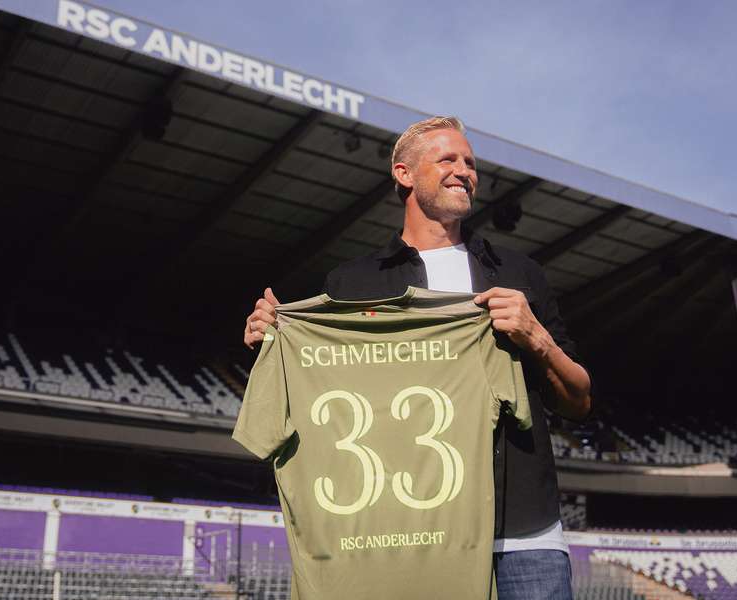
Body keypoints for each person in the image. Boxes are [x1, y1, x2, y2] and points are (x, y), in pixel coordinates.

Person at [242, 116, 592, 600]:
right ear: (404, 174)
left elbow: (580, 401)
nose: (464, 171)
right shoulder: (352, 284)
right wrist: (275, 339)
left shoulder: (517, 273)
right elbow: (324, 389)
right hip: (411, 535)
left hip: (523, 535)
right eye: (447, 159)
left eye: (470, 163)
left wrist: (537, 336)